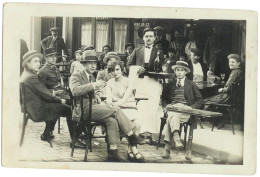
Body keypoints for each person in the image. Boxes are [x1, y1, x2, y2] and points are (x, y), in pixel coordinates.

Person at [69, 50, 144, 162]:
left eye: (95, 63)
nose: (93, 65)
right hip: (84, 111)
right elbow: (75, 91)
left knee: (111, 120)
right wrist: (94, 85)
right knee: (115, 109)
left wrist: (97, 96)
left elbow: (93, 93)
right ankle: (132, 136)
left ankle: (112, 153)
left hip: (93, 108)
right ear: (84, 64)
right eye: (90, 63)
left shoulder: (91, 76)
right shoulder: (76, 76)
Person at [20, 50, 72, 142]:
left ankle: (47, 133)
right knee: (70, 110)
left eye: (39, 61)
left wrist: (54, 94)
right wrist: (59, 100)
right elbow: (43, 93)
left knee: (60, 105)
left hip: (34, 106)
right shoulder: (32, 76)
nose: (38, 64)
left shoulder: (28, 74)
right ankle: (76, 138)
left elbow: (40, 90)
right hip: (38, 109)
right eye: (35, 61)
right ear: (28, 63)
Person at [37, 48, 84, 147]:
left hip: (63, 96)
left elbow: (59, 84)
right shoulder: (42, 72)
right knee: (72, 110)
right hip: (51, 100)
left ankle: (47, 133)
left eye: (55, 56)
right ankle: (75, 138)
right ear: (46, 58)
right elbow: (39, 91)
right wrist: (54, 93)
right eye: (51, 56)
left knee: (80, 105)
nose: (54, 58)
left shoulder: (54, 68)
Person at [127, 28, 163, 143]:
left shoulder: (159, 52)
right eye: (146, 36)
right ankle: (141, 133)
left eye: (151, 36)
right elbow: (128, 66)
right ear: (143, 38)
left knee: (153, 107)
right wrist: (137, 69)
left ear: (154, 38)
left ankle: (151, 134)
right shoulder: (137, 51)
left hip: (153, 82)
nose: (148, 38)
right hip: (141, 83)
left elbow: (162, 68)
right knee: (142, 106)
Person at [162, 61, 203, 159]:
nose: (179, 72)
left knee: (171, 116)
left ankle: (167, 147)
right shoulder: (170, 84)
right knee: (174, 112)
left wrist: (191, 108)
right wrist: (165, 106)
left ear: (186, 72)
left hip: (185, 110)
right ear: (175, 72)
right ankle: (176, 137)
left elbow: (200, 101)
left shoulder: (191, 84)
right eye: (177, 70)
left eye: (181, 70)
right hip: (173, 109)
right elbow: (164, 98)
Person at [106, 60, 143, 161]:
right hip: (119, 110)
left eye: (117, 69)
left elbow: (125, 98)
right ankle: (134, 149)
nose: (115, 72)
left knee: (137, 123)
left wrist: (114, 102)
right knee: (124, 123)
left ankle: (129, 149)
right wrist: (109, 102)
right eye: (113, 70)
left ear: (122, 69)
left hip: (129, 107)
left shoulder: (128, 81)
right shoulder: (109, 82)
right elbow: (108, 98)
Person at [204, 54, 244, 129]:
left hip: (228, 97)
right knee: (214, 100)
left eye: (233, 62)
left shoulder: (235, 72)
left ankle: (217, 121)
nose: (230, 64)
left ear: (238, 63)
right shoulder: (240, 71)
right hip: (235, 98)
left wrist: (222, 89)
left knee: (206, 100)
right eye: (229, 62)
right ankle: (222, 119)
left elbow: (227, 88)